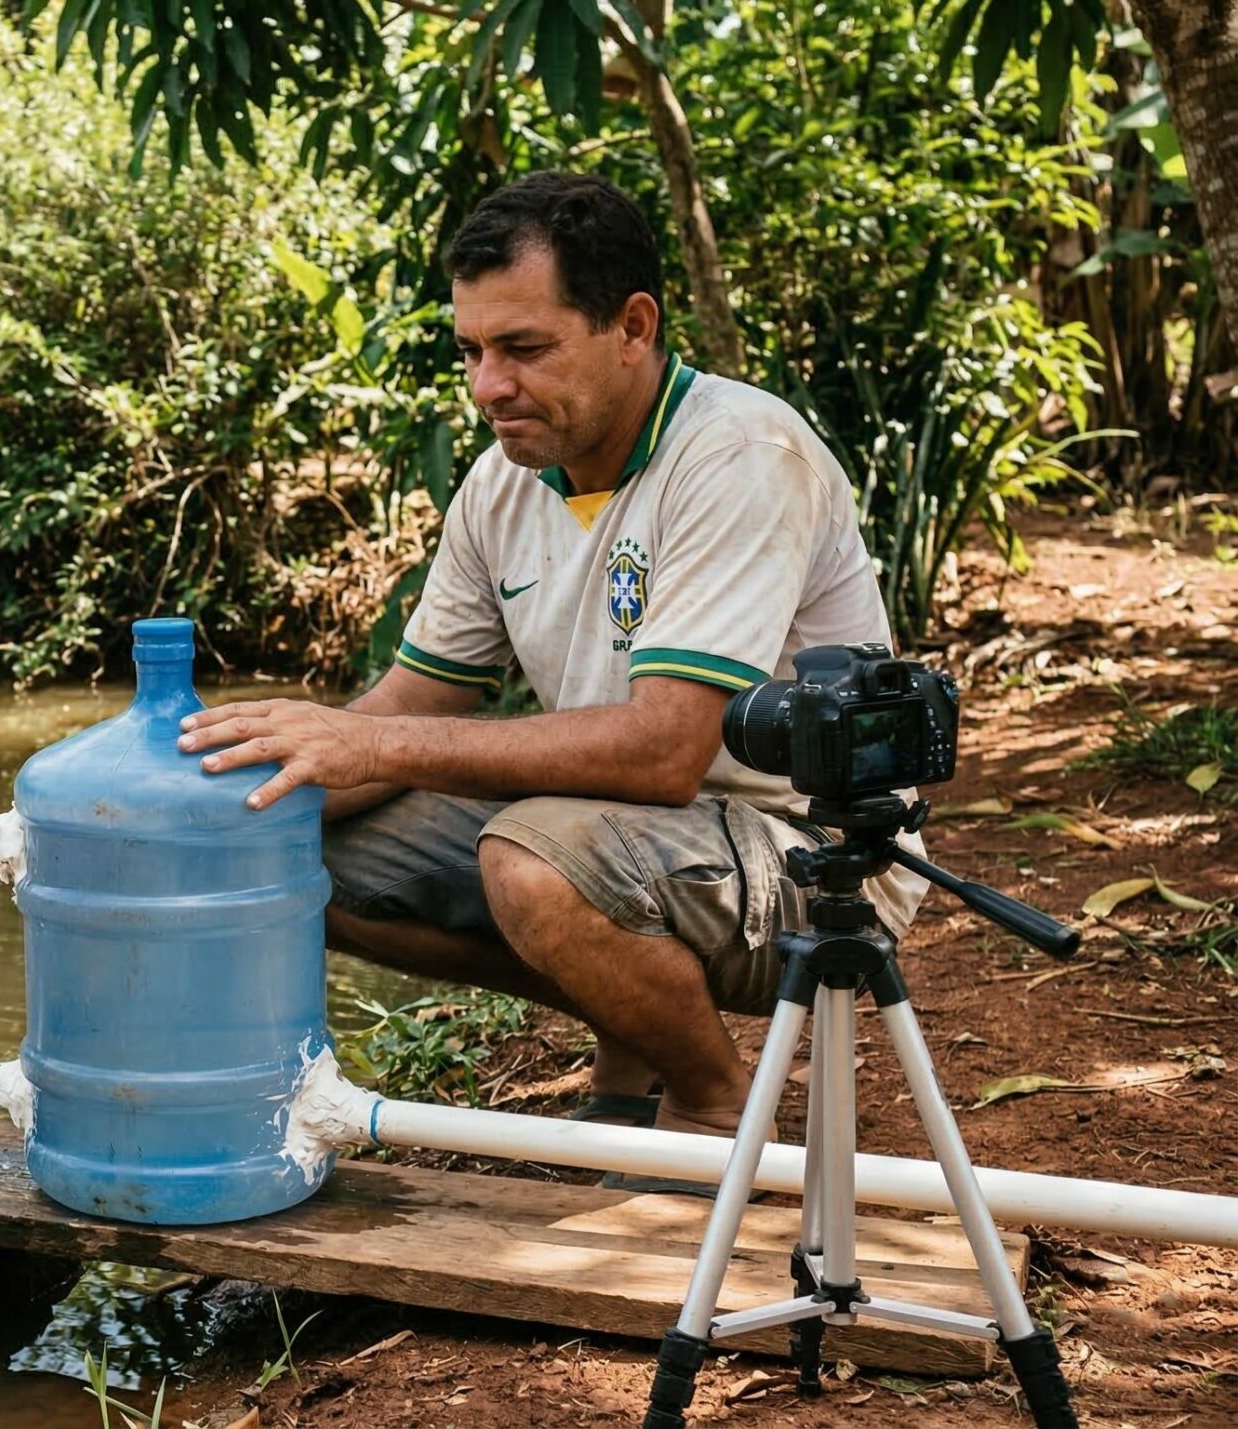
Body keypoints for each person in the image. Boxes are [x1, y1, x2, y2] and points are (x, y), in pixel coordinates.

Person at [177, 171, 926, 1178]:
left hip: (812, 855)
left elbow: (665, 752)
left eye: (524, 349)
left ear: (632, 327)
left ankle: (708, 1103)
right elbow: (414, 699)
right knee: (286, 851)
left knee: (530, 857)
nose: (488, 385)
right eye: (472, 352)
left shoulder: (739, 453)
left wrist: (372, 741)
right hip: (622, 836)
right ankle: (636, 1038)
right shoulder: (502, 484)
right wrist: (220, 809)